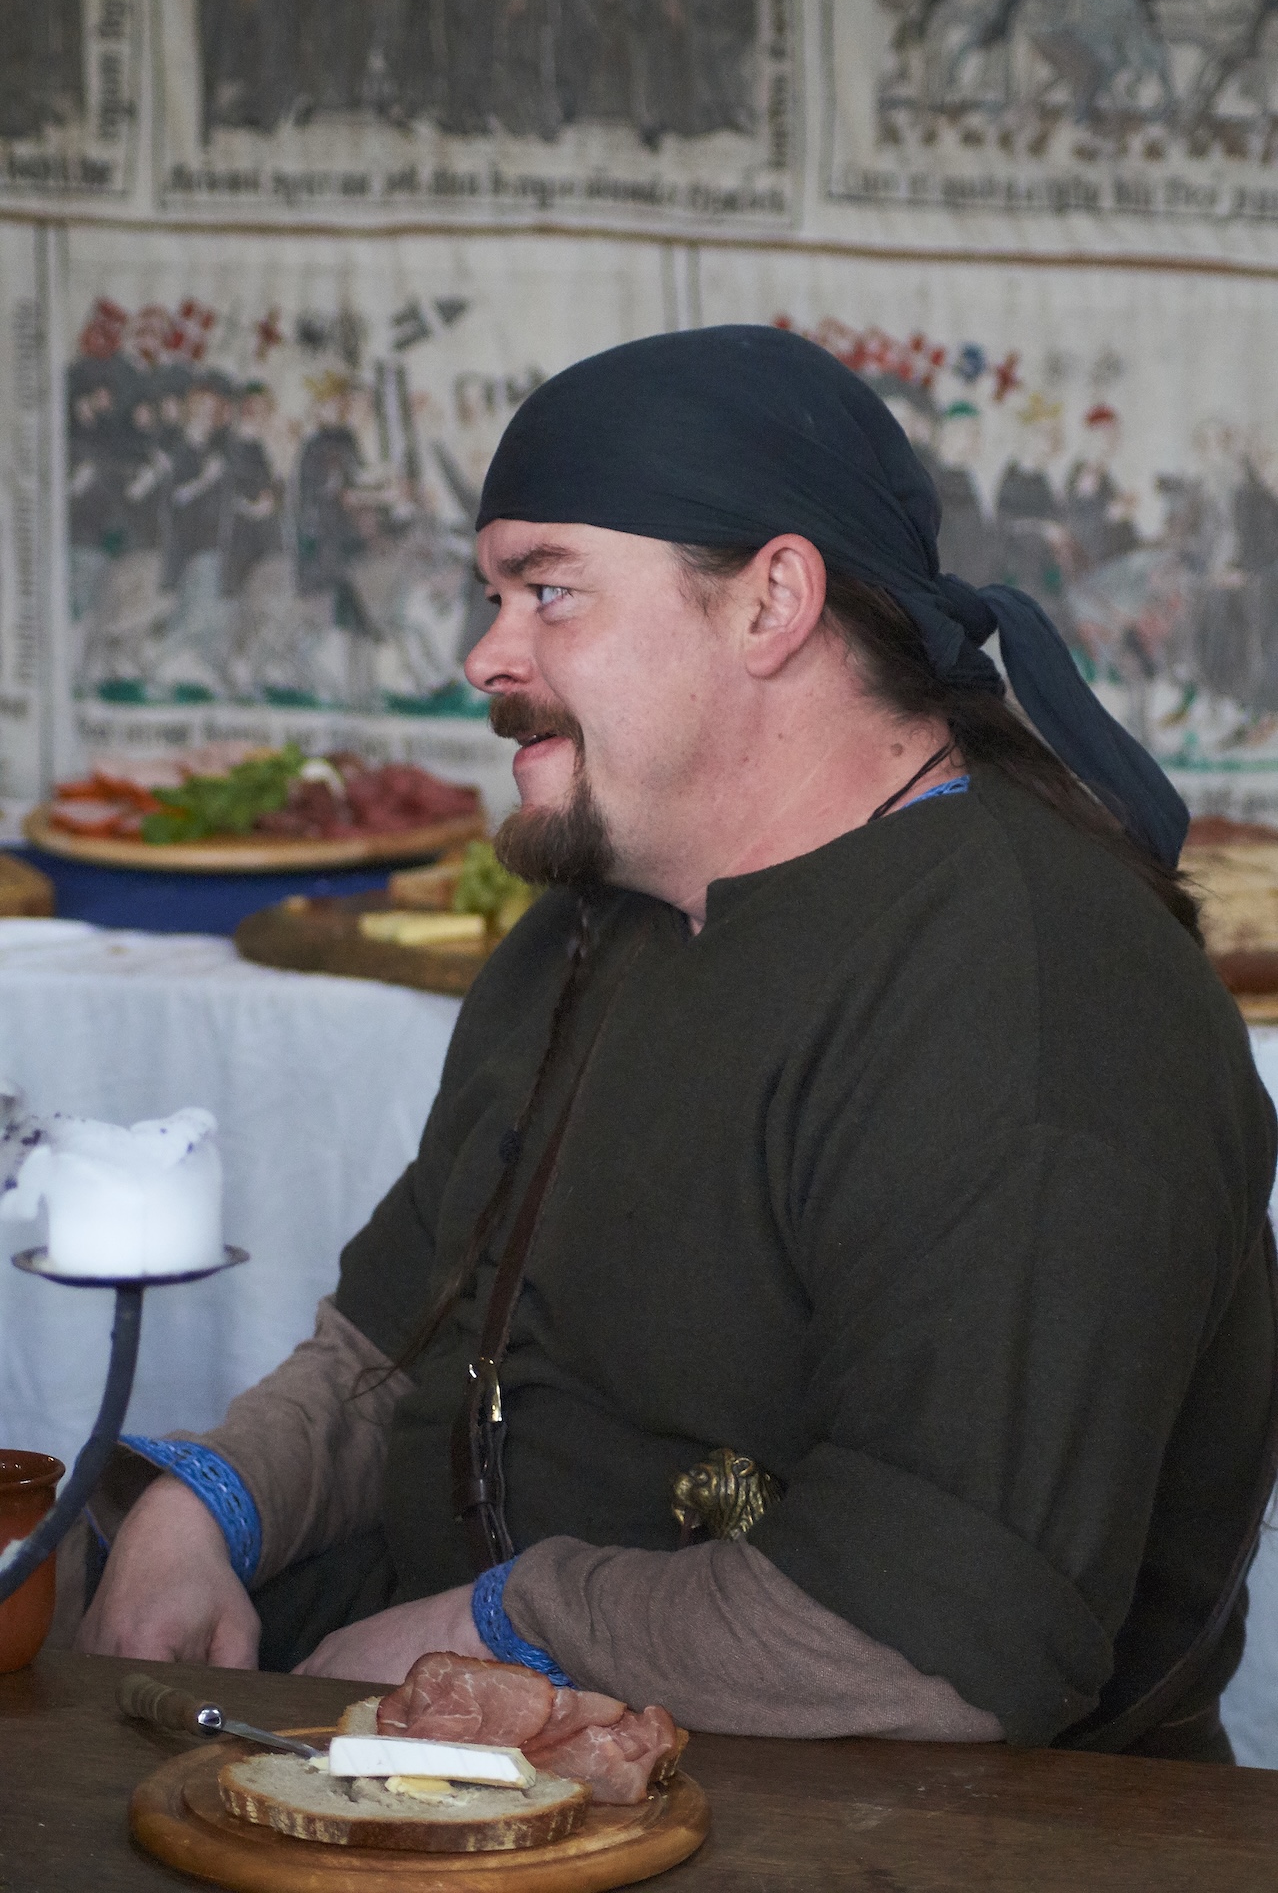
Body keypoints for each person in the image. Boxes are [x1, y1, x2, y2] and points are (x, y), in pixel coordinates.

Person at [74, 326, 1276, 1762]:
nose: (486, 655)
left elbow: (936, 1648)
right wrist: (205, 1507)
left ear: (772, 600)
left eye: (549, 592)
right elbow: (392, 1348)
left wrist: (503, 1631)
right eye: (493, 596)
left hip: (889, 1826)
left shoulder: (1034, 991)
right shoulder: (597, 921)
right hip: (484, 1765)